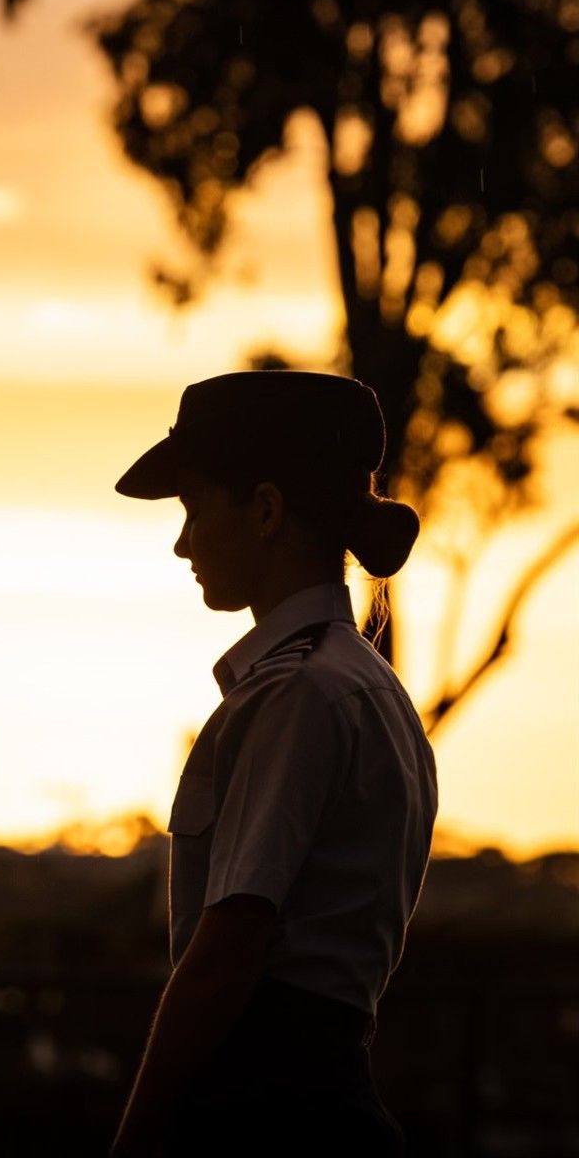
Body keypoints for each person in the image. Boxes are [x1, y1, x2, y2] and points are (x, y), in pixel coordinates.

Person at [109, 370, 437, 1157]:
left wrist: (136, 1135)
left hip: (267, 1113)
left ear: (264, 510)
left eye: (194, 508)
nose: (184, 542)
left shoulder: (298, 695)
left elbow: (226, 954)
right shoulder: (362, 685)